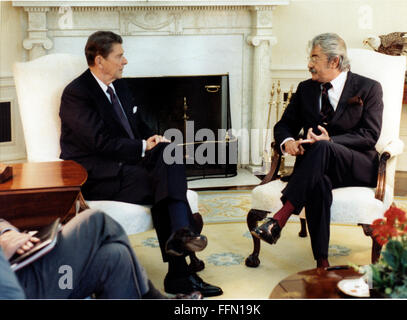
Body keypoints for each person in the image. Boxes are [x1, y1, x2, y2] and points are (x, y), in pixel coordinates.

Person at [59, 31, 222, 297]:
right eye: (119, 56)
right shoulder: (77, 94)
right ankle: (179, 269)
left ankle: (179, 238)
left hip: (130, 163)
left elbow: (137, 125)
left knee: (168, 151)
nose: (125, 61)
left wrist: (153, 139)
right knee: (166, 189)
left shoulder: (121, 86)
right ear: (100, 60)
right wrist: (143, 146)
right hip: (98, 174)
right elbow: (100, 143)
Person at [252, 33, 383, 268]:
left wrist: (331, 139)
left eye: (314, 57)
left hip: (356, 164)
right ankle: (322, 262)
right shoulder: (306, 90)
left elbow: (369, 135)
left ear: (334, 61)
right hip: (316, 168)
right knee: (318, 183)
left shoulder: (369, 88)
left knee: (323, 146)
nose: (309, 64)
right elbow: (283, 125)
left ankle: (280, 218)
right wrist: (289, 141)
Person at [0, 209, 202, 299]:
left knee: (116, 256)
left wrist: (6, 234)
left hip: (17, 267)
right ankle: (152, 296)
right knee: (95, 220)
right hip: (20, 287)